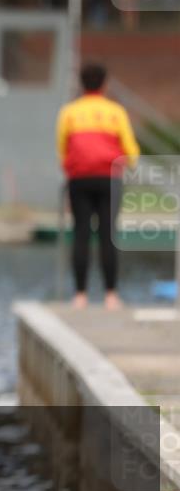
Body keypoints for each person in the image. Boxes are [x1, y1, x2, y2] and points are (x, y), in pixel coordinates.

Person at [56, 63, 140, 310]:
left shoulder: (69, 113)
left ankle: (80, 295)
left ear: (81, 84)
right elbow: (130, 151)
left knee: (81, 234)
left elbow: (62, 149)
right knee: (108, 235)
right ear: (105, 84)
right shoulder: (116, 112)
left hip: (79, 179)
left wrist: (71, 170)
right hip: (109, 179)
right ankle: (111, 295)